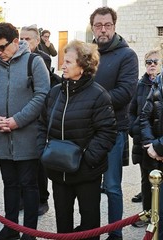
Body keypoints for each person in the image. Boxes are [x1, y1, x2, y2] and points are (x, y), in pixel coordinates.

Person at [37, 40, 117, 240]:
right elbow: (41, 124)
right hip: (58, 171)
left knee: (89, 224)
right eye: (63, 61)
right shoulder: (55, 92)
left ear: (83, 67)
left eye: (69, 62)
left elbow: (107, 132)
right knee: (63, 224)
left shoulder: (99, 95)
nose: (63, 65)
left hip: (86, 173)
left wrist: (86, 159)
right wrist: (43, 150)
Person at [0, 22, 50, 240]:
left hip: (27, 137)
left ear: (15, 41)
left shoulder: (34, 62)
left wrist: (17, 121)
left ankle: (29, 233)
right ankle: (10, 228)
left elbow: (42, 95)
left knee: (29, 185)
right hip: (2, 137)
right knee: (9, 184)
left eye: (2, 47)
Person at [90, 7, 139, 240]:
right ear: (92, 27)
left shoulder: (127, 55)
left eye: (107, 25)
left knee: (111, 186)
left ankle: (115, 233)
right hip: (87, 130)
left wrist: (91, 101)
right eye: (98, 25)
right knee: (88, 185)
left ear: (114, 26)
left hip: (114, 130)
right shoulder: (87, 52)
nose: (103, 30)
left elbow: (126, 92)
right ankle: (90, 230)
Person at [19, 24, 51, 216]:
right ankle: (24, 197)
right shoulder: (16, 59)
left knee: (39, 163)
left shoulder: (41, 59)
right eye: (20, 38)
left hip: (38, 117)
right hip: (21, 117)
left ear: (37, 41)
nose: (23, 42)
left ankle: (43, 199)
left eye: (27, 39)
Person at [129, 49, 162, 228]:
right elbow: (132, 111)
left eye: (155, 62)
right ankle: (148, 213)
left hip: (160, 142)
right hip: (144, 141)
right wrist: (135, 129)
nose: (151, 65)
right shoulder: (139, 85)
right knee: (146, 179)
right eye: (148, 61)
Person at [140, 73, 163, 240]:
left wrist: (159, 147)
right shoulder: (159, 82)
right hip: (157, 157)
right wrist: (152, 146)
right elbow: (144, 116)